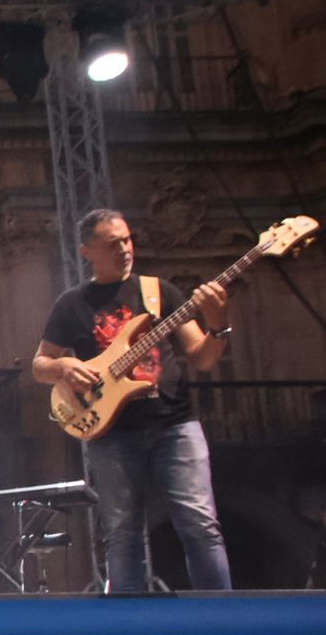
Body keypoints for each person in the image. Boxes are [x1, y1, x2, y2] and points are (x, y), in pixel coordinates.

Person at [32, 209, 233, 592]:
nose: (125, 249)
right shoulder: (73, 304)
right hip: (112, 432)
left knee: (200, 524)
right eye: (112, 244)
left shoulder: (160, 292)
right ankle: (128, 627)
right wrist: (65, 367)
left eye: (127, 240)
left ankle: (223, 615)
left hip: (175, 424)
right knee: (123, 534)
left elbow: (203, 357)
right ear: (87, 250)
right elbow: (39, 365)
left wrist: (218, 322)